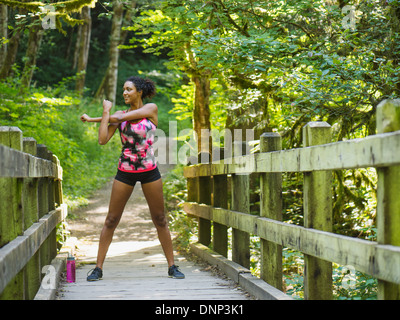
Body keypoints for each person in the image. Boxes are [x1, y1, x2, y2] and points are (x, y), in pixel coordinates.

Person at [80, 76, 184, 281]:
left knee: (160, 219)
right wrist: (104, 114)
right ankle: (98, 268)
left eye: (129, 89)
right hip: (125, 171)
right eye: (123, 90)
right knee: (111, 219)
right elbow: (102, 140)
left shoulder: (150, 109)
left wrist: (106, 115)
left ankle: (172, 266)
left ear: (140, 92)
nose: (124, 93)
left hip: (149, 171)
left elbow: (122, 119)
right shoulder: (118, 115)